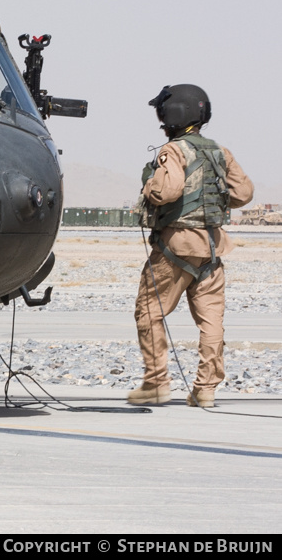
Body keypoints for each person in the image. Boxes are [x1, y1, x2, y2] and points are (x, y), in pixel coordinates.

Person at [129, 84, 253, 408]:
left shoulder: (173, 151)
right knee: (211, 321)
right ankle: (206, 389)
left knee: (148, 312)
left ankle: (156, 383)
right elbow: (244, 193)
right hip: (212, 250)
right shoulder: (219, 152)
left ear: (172, 115)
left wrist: (149, 185)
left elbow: (166, 192)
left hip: (175, 248)